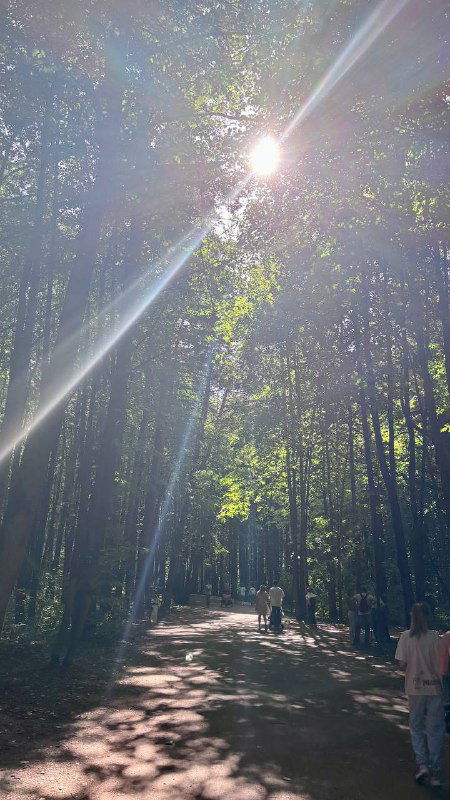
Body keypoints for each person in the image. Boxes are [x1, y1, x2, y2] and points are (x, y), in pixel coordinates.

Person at [395, 603, 445, 788]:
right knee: (435, 729)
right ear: (428, 616)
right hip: (434, 689)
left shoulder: (406, 637)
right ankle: (435, 772)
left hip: (414, 689)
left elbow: (402, 664)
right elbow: (443, 665)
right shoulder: (435, 638)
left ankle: (422, 765)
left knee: (416, 727)